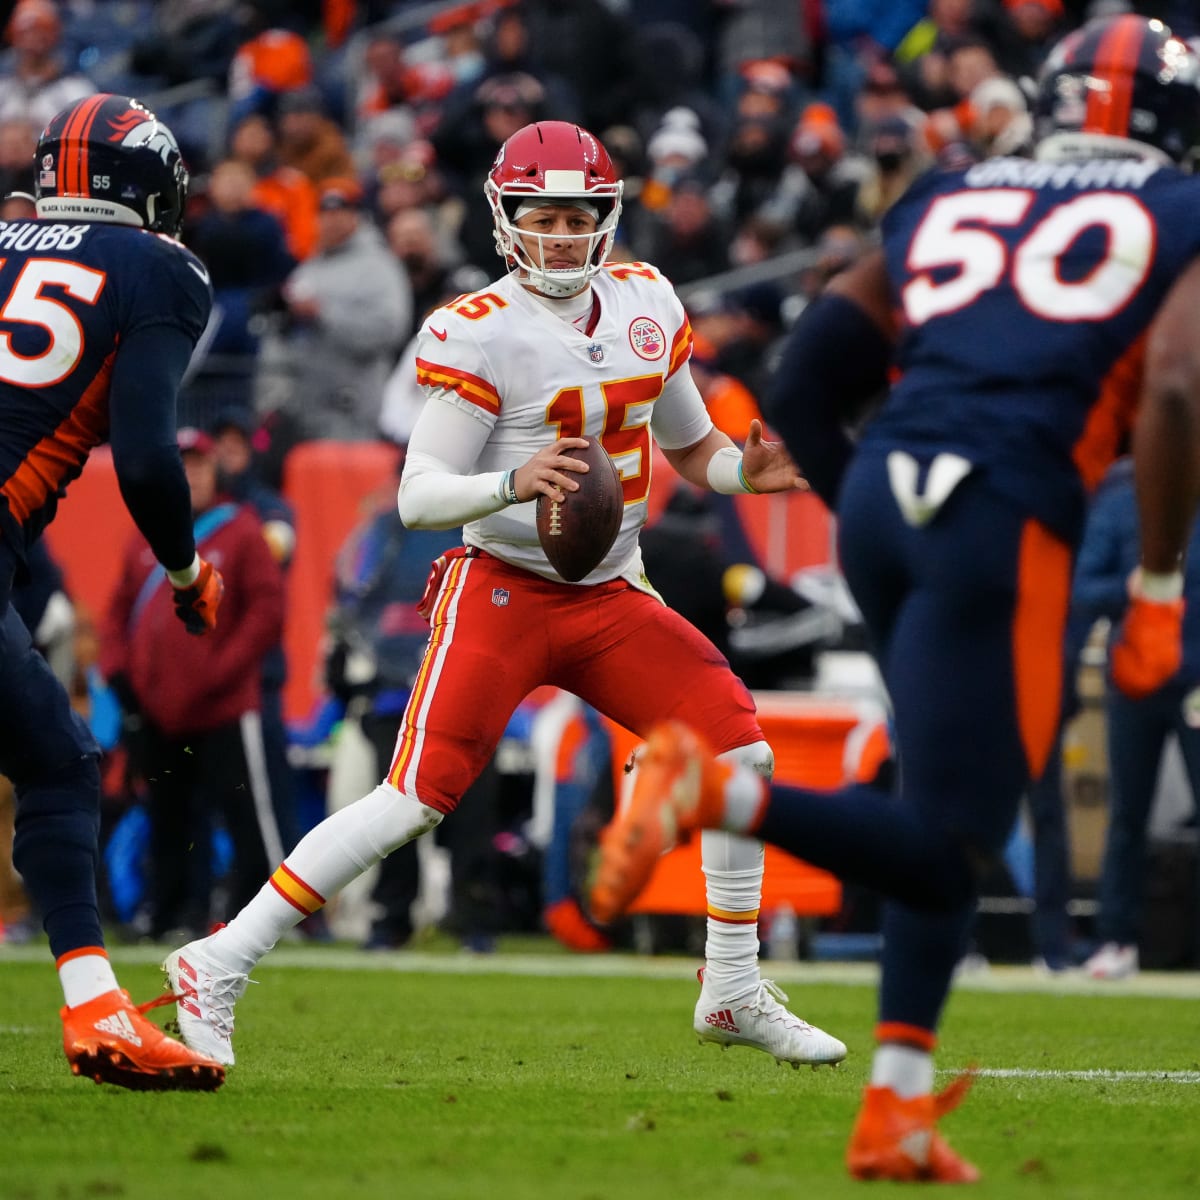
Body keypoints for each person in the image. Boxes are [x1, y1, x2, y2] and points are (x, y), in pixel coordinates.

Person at [589, 14, 1200, 1183]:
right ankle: (709, 789)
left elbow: (806, 373)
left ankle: (898, 1105)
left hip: (886, 503)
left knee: (936, 810)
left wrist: (870, 493)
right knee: (951, 846)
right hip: (1004, 510)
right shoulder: (1179, 211)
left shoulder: (954, 189)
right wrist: (1161, 584)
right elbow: (1176, 392)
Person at [164, 118, 847, 1071]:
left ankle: (731, 987)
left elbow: (691, 446)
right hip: (504, 586)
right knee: (414, 797)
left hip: (610, 594)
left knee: (743, 751)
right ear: (506, 219)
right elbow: (415, 496)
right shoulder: (476, 330)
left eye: (578, 217)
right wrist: (511, 481)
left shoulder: (649, 298)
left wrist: (747, 473)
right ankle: (218, 959)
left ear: (607, 219)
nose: (562, 236)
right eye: (543, 216)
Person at [2, 93, 226, 1089]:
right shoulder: (157, 266)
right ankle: (97, 1014)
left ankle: (97, 1009)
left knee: (54, 754)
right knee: (56, 765)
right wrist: (185, 570)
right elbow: (144, 457)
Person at [100, 426, 286, 941]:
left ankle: (264, 920)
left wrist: (220, 671)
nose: (191, 475)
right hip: (158, 710)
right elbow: (115, 615)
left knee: (246, 813)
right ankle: (172, 913)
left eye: (199, 465)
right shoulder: (145, 535)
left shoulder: (242, 531)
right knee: (169, 818)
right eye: (182, 466)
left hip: (223, 706)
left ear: (215, 472)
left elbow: (267, 611)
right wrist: (123, 680)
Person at [1074, 456, 1200, 980]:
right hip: (1134, 677)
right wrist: (1123, 589)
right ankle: (1117, 940)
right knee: (1127, 812)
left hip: (1197, 677)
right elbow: (1084, 584)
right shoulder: (1122, 494)